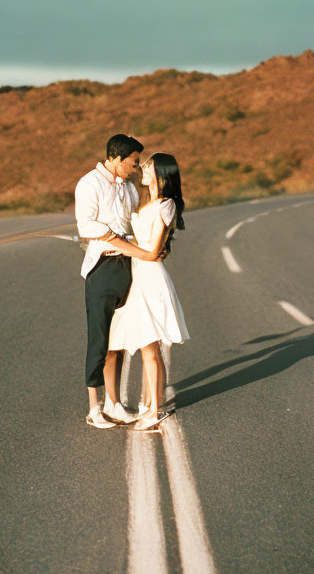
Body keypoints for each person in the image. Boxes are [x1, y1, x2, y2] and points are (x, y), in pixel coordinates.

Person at [75, 134, 155, 429]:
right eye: (133, 162)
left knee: (117, 341)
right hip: (103, 265)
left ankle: (114, 403)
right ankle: (93, 408)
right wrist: (120, 239)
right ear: (117, 158)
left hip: (127, 266)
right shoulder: (89, 184)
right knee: (98, 337)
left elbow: (133, 222)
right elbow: (86, 225)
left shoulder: (130, 189)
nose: (136, 167)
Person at [109, 153, 189, 431]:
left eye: (148, 167)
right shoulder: (149, 203)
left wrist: (120, 245)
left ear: (162, 175)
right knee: (149, 345)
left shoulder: (165, 205)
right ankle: (154, 404)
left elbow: (154, 252)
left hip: (150, 277)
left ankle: (154, 411)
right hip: (139, 274)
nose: (142, 169)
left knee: (149, 347)